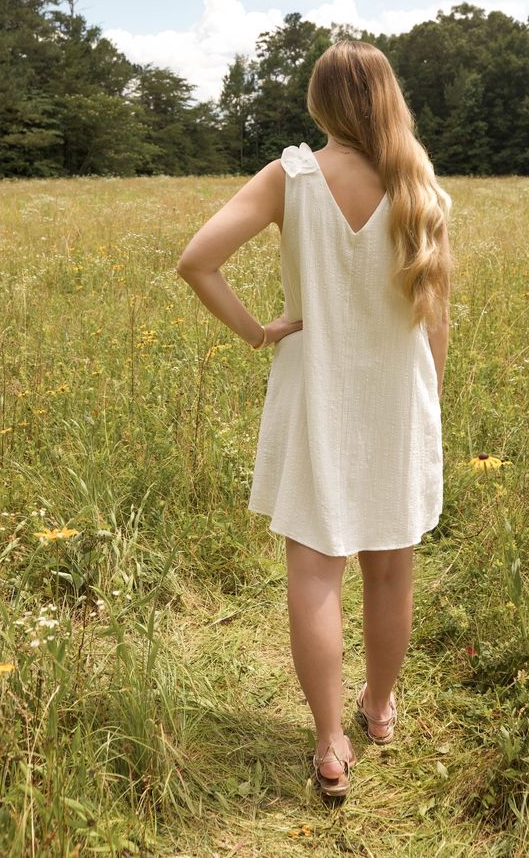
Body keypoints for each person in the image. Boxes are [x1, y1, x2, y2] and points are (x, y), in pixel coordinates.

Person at [176, 39, 452, 799]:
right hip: (400, 399)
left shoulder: (290, 177)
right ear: (388, 96)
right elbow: (437, 322)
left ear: (320, 102)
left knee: (314, 573)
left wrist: (259, 331)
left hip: (316, 396)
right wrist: (430, 403)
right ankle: (381, 707)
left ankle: (332, 743)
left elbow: (197, 259)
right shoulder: (419, 184)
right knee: (391, 569)